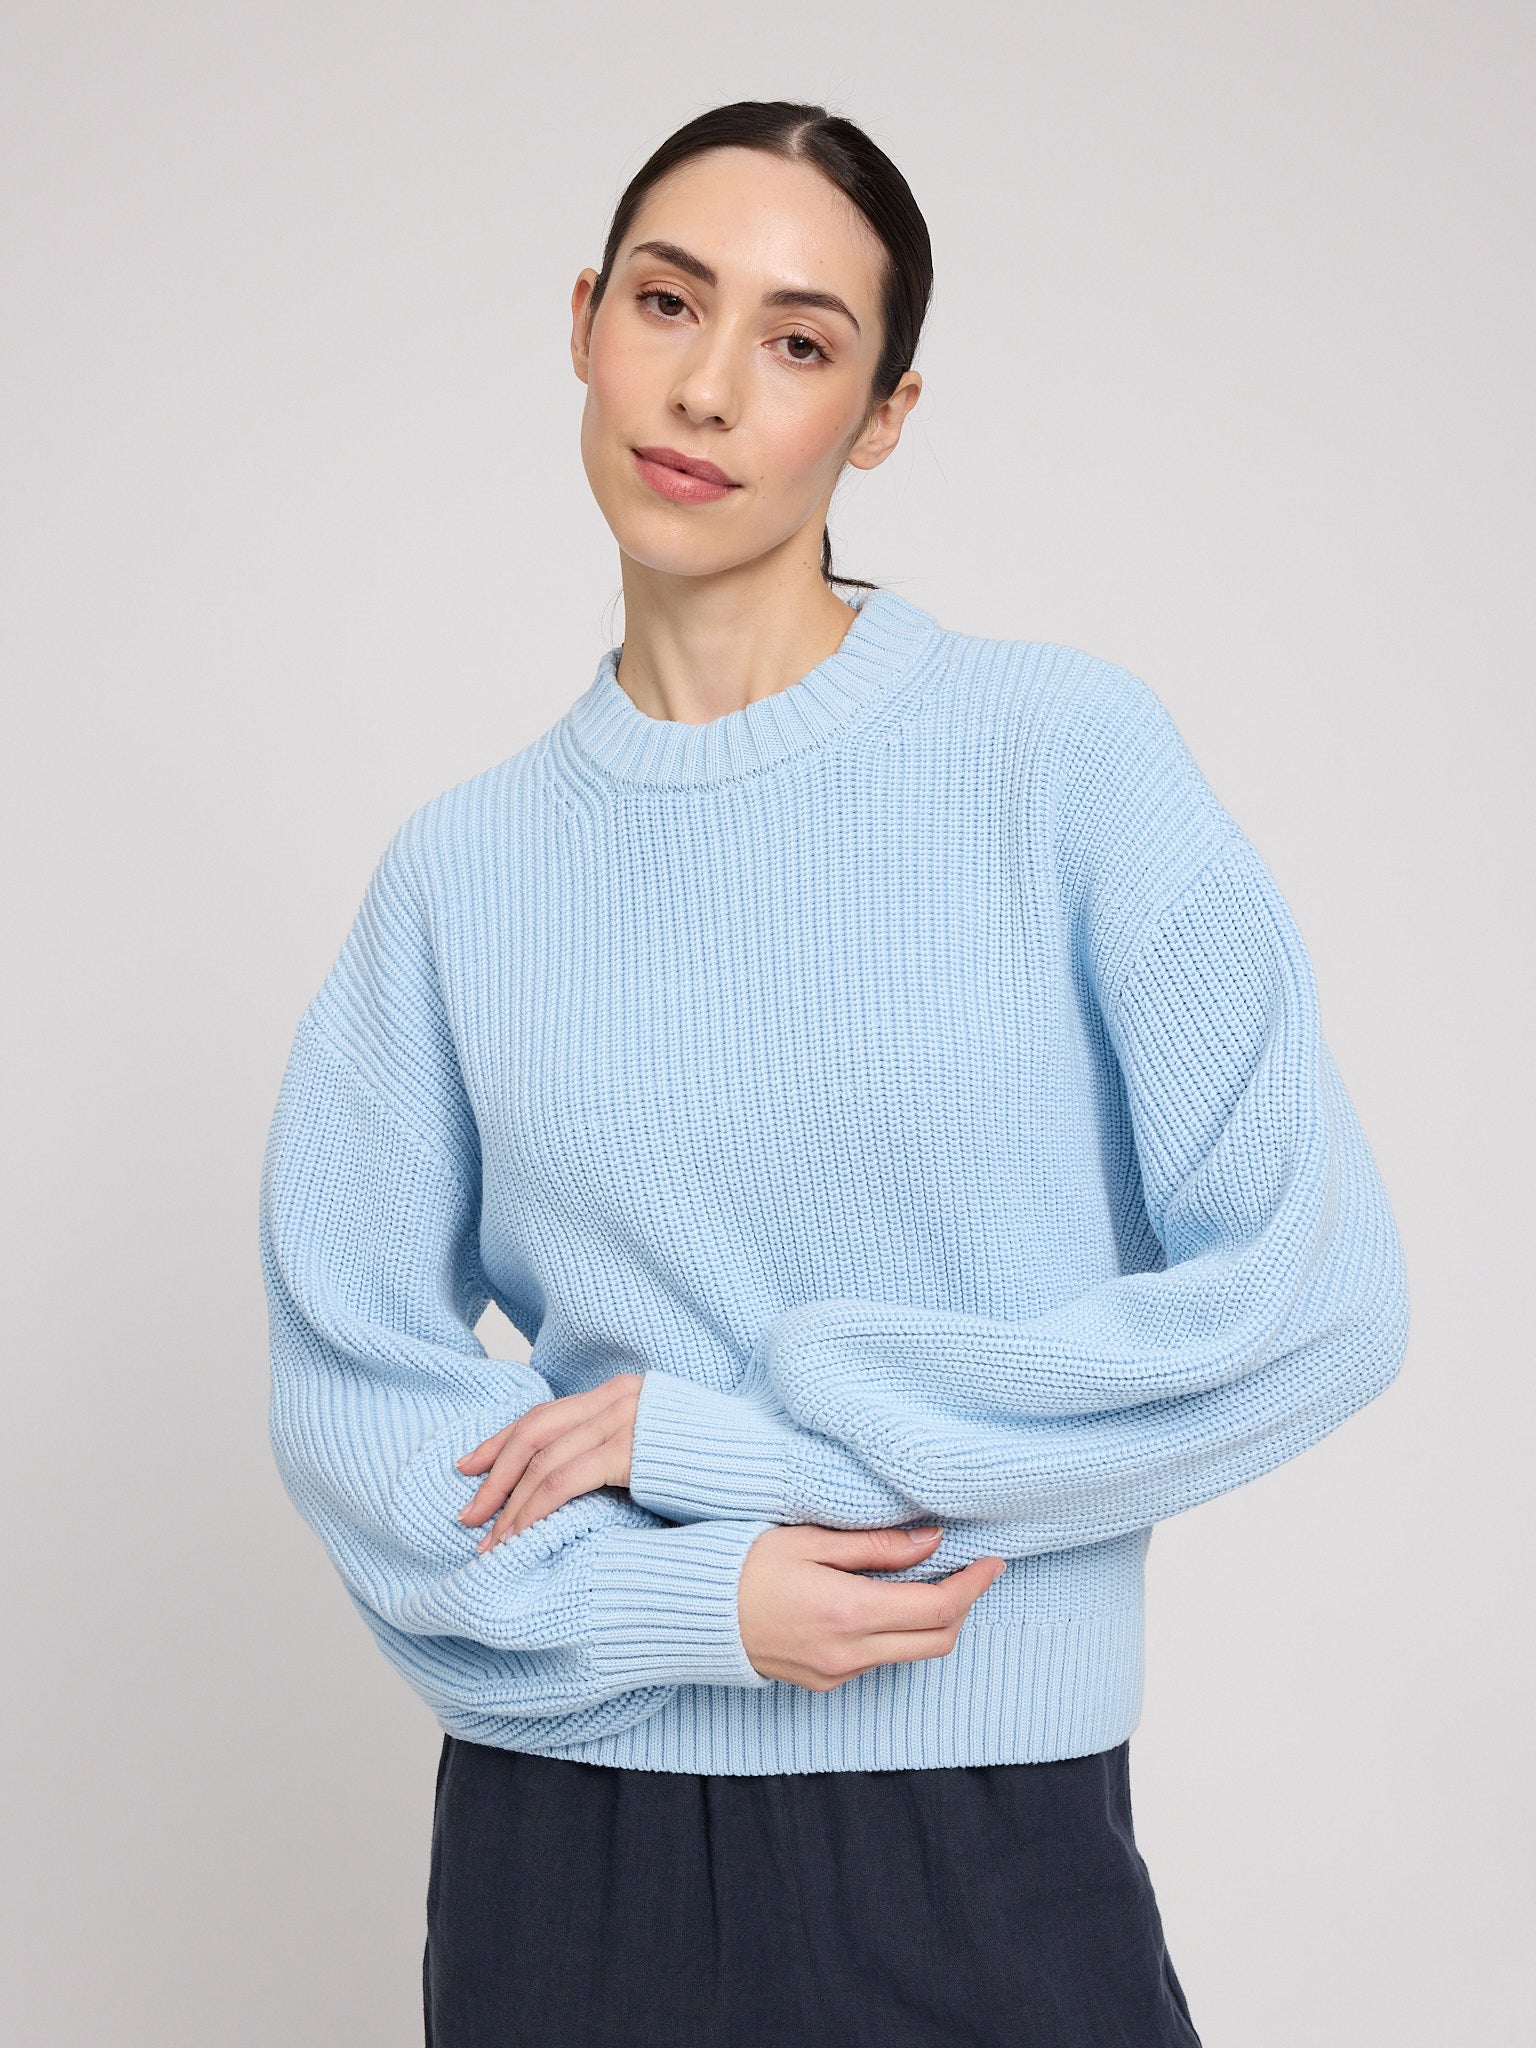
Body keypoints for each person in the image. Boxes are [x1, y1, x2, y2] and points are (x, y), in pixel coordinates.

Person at [258, 99, 1409, 2048]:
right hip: (570, 1854)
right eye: (667, 302)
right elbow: (349, 1387)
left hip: (980, 1838)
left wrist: (744, 1457)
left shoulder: (1060, 760)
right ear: (583, 322)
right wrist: (685, 1606)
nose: (708, 386)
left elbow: (1315, 1295)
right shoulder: (461, 874)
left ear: (881, 419)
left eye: (798, 342)